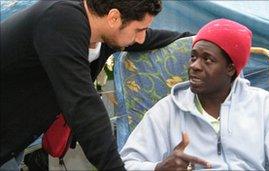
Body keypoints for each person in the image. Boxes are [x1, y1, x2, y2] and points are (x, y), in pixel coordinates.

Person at [0, 0, 192, 170]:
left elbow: (151, 39)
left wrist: (202, 40)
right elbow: (84, 105)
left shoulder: (100, 31)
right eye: (139, 30)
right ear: (114, 18)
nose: (142, 37)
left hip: (12, 137)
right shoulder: (61, 22)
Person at [120, 19, 269, 170]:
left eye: (207, 59)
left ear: (231, 68)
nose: (194, 66)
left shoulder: (264, 106)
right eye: (193, 57)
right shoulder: (167, 110)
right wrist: (158, 168)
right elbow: (126, 163)